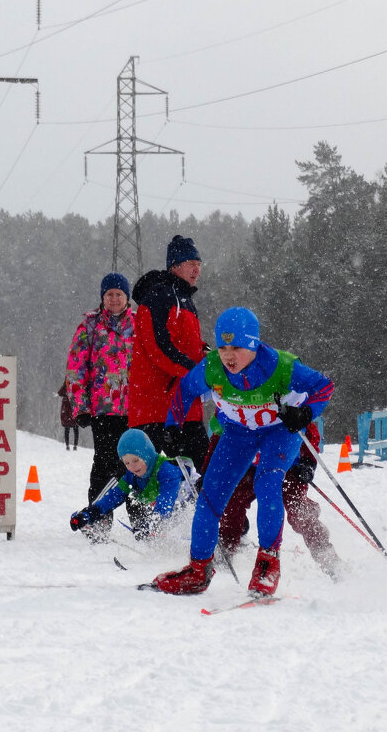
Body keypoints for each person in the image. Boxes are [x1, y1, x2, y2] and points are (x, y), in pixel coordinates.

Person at [150, 307, 334, 598]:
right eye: (223, 347)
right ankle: (198, 569)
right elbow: (184, 390)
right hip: (238, 433)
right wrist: (172, 426)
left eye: (236, 347)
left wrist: (305, 414)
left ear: (253, 344)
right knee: (210, 494)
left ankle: (268, 564)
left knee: (267, 483)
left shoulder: (281, 366)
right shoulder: (213, 367)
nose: (228, 356)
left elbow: (323, 387)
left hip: (277, 432)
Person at [217, 421, 344, 580]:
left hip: (288, 467)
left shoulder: (283, 399)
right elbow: (220, 432)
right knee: (233, 504)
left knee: (299, 512)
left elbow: (307, 428)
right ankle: (226, 551)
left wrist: (308, 462)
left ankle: (327, 556)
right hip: (251, 466)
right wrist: (207, 469)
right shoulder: (240, 402)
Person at [128, 235, 209, 472]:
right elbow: (159, 347)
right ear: (174, 266)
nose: (197, 270)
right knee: (145, 480)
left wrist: (209, 355)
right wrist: (194, 372)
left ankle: (198, 511)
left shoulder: (185, 300)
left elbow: (187, 343)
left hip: (184, 404)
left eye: (199, 265)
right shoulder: (158, 296)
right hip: (155, 406)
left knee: (204, 473)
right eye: (191, 263)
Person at [64, 272, 135, 536]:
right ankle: (98, 521)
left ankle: (140, 520)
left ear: (127, 298)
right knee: (105, 465)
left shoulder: (139, 324)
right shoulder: (90, 326)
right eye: (109, 294)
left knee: (136, 465)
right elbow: (75, 368)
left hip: (134, 410)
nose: (114, 299)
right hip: (104, 410)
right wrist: (80, 406)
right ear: (102, 297)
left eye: (119, 294)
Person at [68, 428, 188, 542]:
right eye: (127, 463)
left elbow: (166, 503)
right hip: (170, 518)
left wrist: (149, 526)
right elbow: (112, 498)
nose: (132, 467)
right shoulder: (131, 477)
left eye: (136, 460)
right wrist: (89, 514)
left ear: (147, 455)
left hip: (190, 514)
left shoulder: (166, 471)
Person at [58, 384, 79, 450]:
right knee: (75, 428)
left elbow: (60, 393)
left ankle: (67, 445)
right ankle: (75, 446)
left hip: (67, 410)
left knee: (67, 429)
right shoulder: (75, 384)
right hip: (74, 408)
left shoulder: (66, 385)